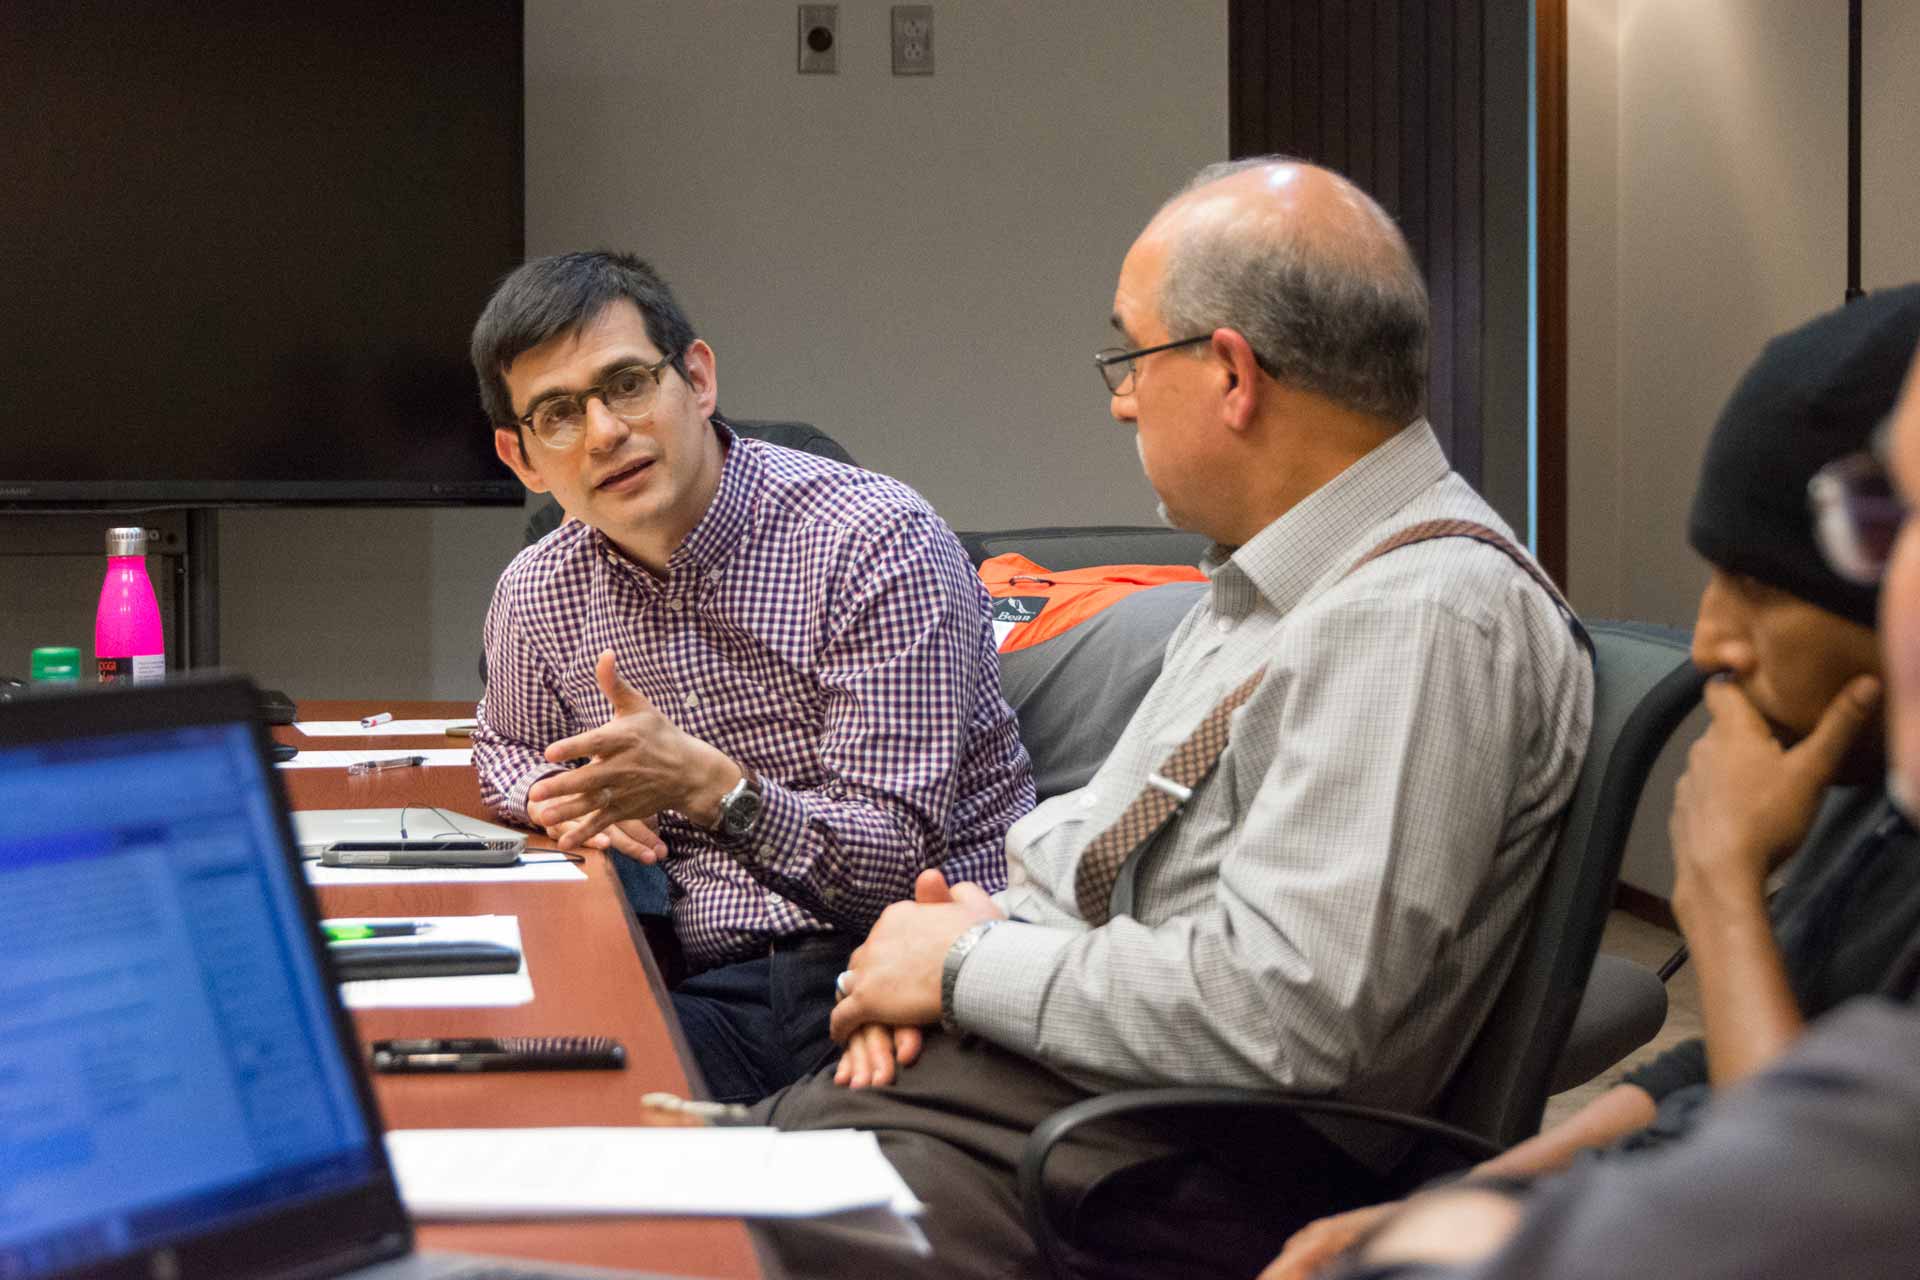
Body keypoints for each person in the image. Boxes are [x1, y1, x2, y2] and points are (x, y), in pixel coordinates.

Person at [749, 157, 1594, 1280]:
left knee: (707, 1232)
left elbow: (1283, 1011)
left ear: (1232, 374)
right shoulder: (1281, 580)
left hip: (1188, 1159)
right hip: (1089, 1103)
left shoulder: (1420, 615)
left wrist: (962, 971)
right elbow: (1105, 849)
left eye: (1131, 357)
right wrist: (944, 940)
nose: (1120, 398)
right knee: (662, 1180)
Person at [1267, 282, 1920, 1280]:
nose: (1710, 641)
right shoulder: (1870, 794)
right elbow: (1713, 1073)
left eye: (1759, 586)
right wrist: (1474, 1193)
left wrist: (1724, 898)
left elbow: (1805, 1218)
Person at [468, 251, 1035, 1103]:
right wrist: (555, 791)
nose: (603, 434)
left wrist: (712, 788)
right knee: (516, 1102)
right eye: (558, 414)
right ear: (522, 459)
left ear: (696, 379)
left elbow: (887, 865)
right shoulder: (539, 590)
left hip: (917, 969)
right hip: (718, 980)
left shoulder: (872, 540)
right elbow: (501, 741)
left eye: (626, 384)